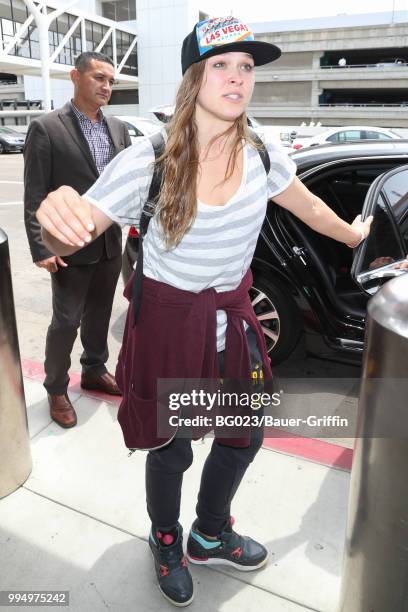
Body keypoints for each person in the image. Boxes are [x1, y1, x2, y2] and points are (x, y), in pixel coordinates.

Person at [35, 17, 372, 607]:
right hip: (169, 321)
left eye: (246, 67)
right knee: (173, 445)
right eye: (222, 65)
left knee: (243, 436)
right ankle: (165, 538)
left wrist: (354, 235)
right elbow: (79, 226)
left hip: (232, 318)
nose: (237, 78)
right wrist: (55, 215)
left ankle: (209, 532)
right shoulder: (151, 159)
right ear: (195, 76)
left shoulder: (263, 151)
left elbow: (312, 206)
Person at [24, 51, 131, 429]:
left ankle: (94, 369)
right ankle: (55, 387)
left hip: (108, 245)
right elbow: (35, 194)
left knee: (100, 314)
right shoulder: (47, 127)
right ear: (75, 77)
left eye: (111, 82)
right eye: (99, 78)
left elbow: (125, 187)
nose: (106, 87)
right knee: (66, 321)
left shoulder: (118, 129)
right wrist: (42, 248)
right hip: (67, 247)